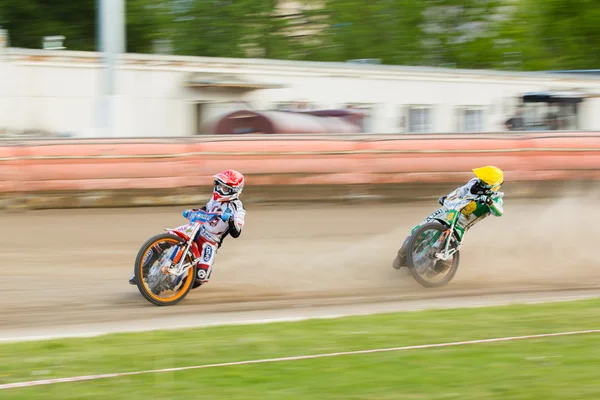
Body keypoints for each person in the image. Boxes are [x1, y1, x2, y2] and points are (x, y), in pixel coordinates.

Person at [129, 169, 246, 286]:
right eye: (219, 185)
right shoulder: (215, 198)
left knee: (201, 276)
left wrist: (231, 220)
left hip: (211, 241)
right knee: (164, 239)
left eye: (224, 188)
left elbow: (237, 233)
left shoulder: (238, 208)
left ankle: (180, 290)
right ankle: (140, 272)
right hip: (198, 228)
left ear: (233, 191)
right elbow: (206, 208)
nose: (219, 189)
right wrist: (194, 211)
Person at [392, 166, 504, 272]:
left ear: (492, 186)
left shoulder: (496, 199)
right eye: (481, 179)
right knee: (419, 230)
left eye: (484, 181)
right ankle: (401, 256)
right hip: (448, 212)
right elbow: (460, 191)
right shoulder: (474, 182)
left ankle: (433, 275)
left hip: (460, 225)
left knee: (448, 258)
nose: (480, 182)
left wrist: (489, 202)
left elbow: (499, 212)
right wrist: (448, 198)